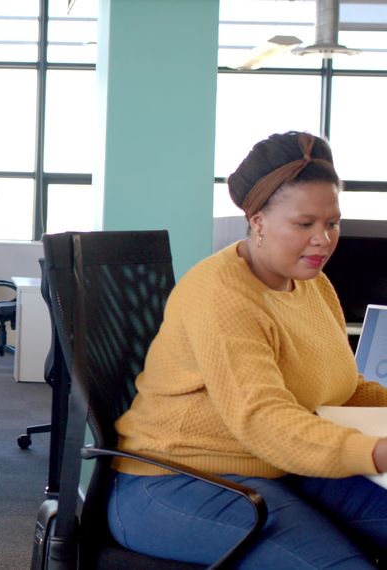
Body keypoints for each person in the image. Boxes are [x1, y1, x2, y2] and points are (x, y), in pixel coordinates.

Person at [107, 131, 387, 568]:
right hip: (174, 480)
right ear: (257, 220)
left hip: (277, 467)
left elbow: (343, 389)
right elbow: (265, 421)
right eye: (304, 224)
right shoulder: (221, 294)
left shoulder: (311, 284)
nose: (324, 239)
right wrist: (375, 451)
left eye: (332, 223)